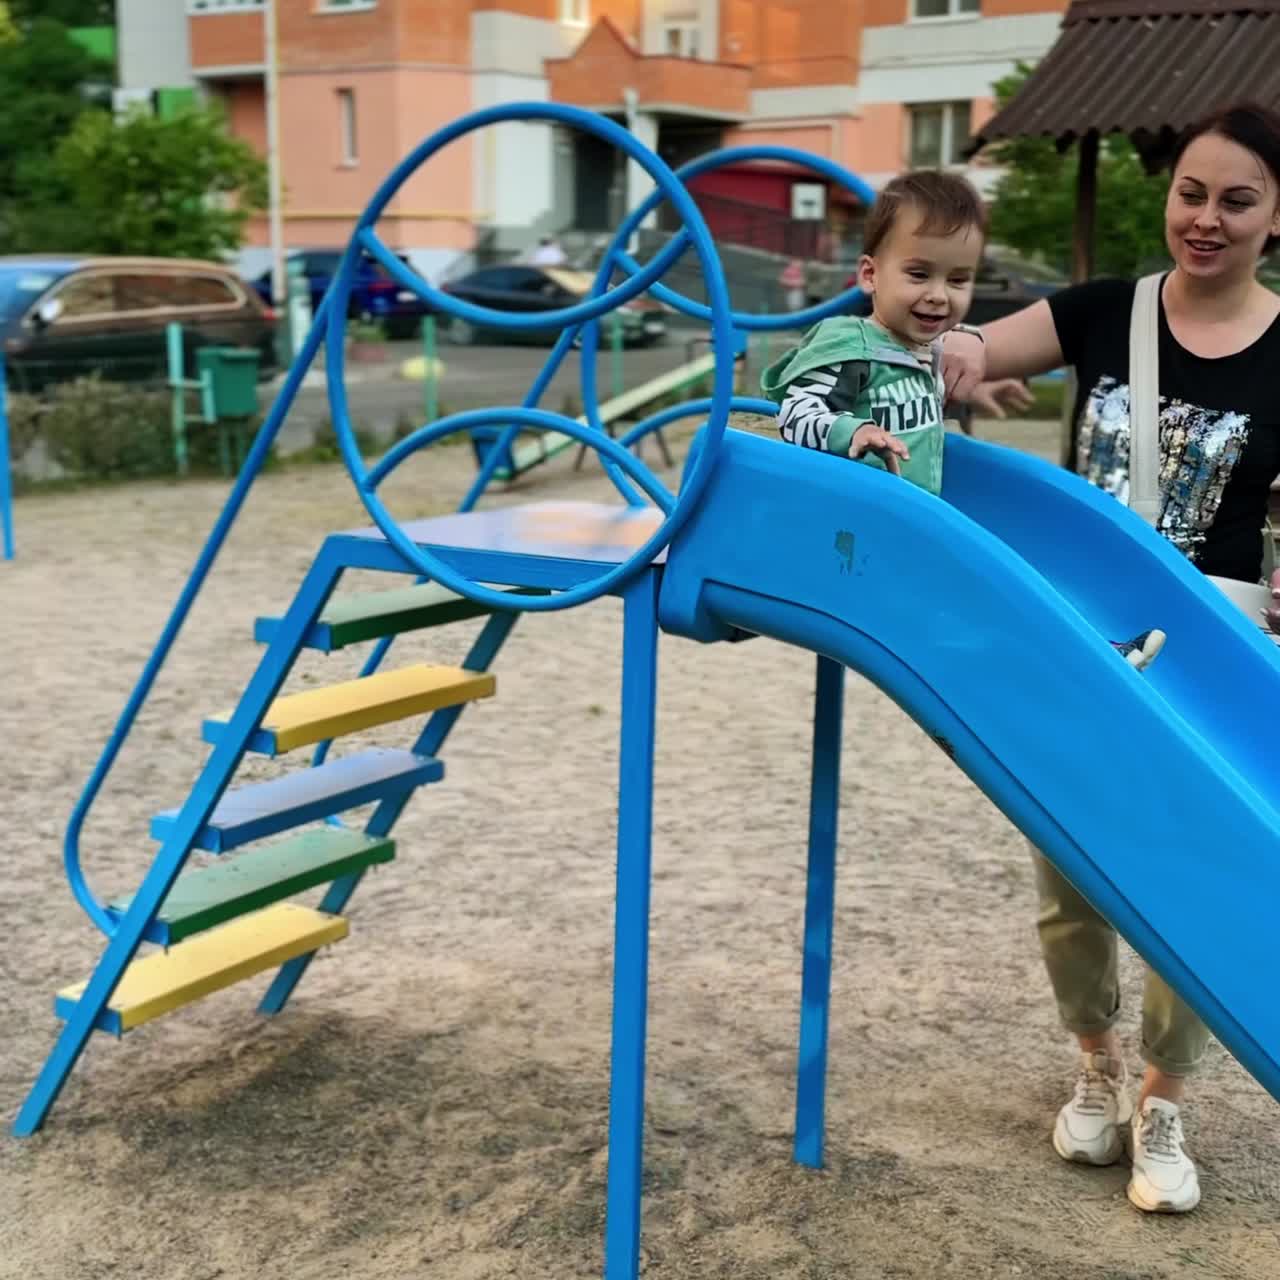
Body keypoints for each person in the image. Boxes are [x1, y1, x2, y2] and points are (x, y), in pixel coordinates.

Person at [940, 100, 1280, 1214]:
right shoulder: (1101, 313)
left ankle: (1164, 1096)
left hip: (1215, 653)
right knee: (1068, 874)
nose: (1206, 218)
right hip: (1075, 638)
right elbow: (967, 347)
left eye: (1237, 201)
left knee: (1193, 874)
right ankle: (1094, 1060)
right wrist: (955, 355)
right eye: (1191, 193)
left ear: (1275, 217)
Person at [761, 169, 1166, 668]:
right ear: (870, 275)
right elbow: (796, 414)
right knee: (992, 574)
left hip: (908, 527)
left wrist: (977, 390)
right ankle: (1083, 657)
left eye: (957, 279)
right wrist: (853, 430)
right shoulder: (852, 349)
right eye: (918, 274)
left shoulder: (920, 354)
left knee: (1012, 560)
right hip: (859, 540)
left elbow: (908, 407)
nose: (939, 294)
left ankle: (1088, 652)